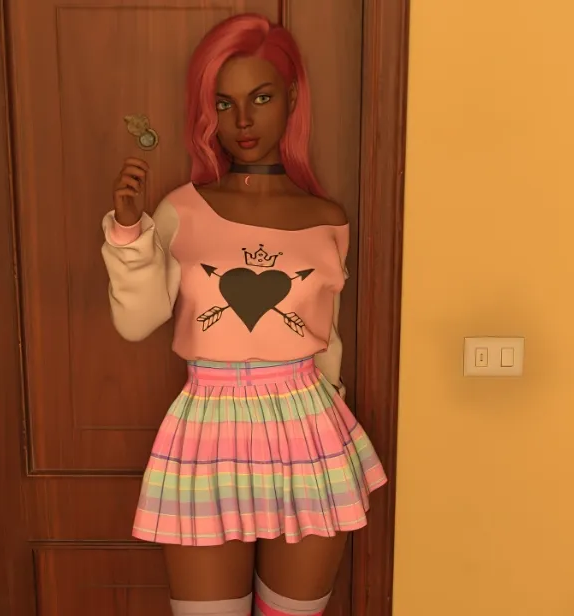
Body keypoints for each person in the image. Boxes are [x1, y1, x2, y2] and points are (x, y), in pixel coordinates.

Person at [99, 13, 388, 616]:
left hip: (308, 424)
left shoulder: (327, 219)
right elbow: (136, 321)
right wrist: (128, 235)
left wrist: (329, 403)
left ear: (292, 98)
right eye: (223, 103)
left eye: (260, 97)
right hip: (209, 423)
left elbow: (327, 337)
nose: (243, 121)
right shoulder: (181, 210)